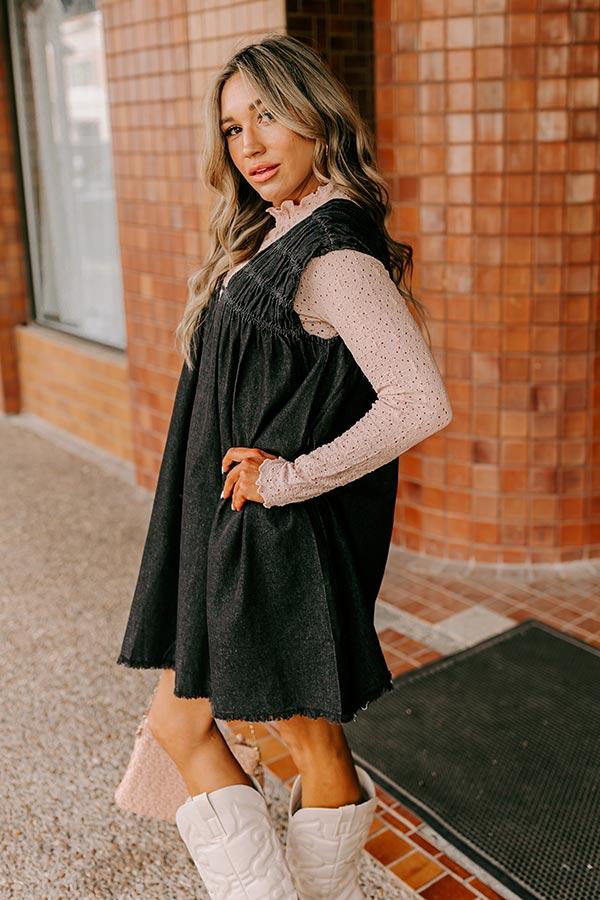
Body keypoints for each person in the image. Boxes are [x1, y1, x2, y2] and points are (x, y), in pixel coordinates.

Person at [116, 33, 453, 899]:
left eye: (267, 115)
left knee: (188, 726)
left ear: (315, 115)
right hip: (244, 527)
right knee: (313, 743)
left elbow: (420, 402)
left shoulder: (332, 253)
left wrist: (286, 478)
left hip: (270, 535)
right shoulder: (285, 230)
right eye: (233, 127)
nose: (250, 143)